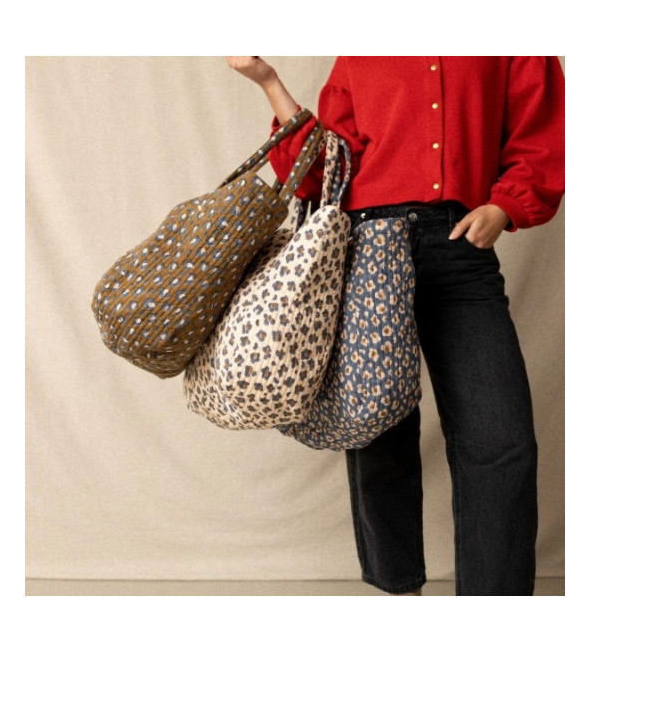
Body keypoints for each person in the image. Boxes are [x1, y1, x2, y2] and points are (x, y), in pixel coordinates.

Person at [227, 56, 565, 596]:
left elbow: (544, 135)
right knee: (377, 431)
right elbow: (326, 169)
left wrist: (505, 207)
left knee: (501, 439)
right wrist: (269, 83)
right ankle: (399, 593)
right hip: (369, 247)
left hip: (460, 249)